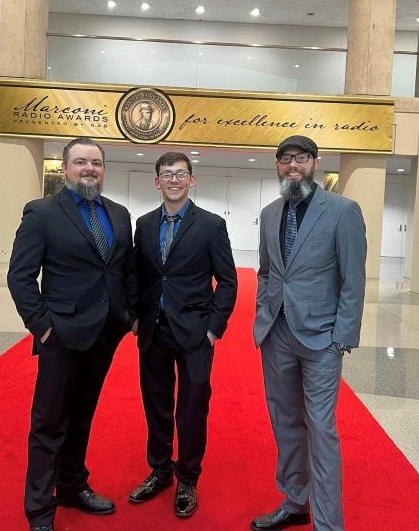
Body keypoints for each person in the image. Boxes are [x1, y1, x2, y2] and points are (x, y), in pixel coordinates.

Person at [7, 137, 137, 531]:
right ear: (64, 168)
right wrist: (42, 327)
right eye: (80, 162)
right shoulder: (42, 213)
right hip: (60, 335)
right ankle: (40, 509)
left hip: (104, 333)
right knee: (49, 422)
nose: (89, 169)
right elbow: (20, 276)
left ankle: (72, 485)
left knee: (82, 414)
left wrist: (127, 315)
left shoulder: (119, 214)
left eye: (96, 162)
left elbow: (124, 269)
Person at [251, 135, 366, 531]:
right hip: (277, 334)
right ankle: (296, 501)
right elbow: (266, 272)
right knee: (284, 422)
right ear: (277, 165)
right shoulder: (269, 213)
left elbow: (353, 279)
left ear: (315, 162)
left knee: (321, 428)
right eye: (285, 159)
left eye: (300, 158)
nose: (292, 165)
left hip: (322, 339)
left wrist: (342, 337)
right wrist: (262, 316)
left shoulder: (342, 211)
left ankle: (328, 524)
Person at [129, 152, 238, 518]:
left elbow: (227, 281)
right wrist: (134, 318)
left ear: (192, 180)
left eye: (180, 174)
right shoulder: (144, 225)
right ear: (157, 182)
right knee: (156, 405)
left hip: (195, 334)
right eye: (166, 174)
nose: (173, 180)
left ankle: (187, 478)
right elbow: (138, 276)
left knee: (191, 410)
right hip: (153, 331)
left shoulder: (210, 225)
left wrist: (213, 330)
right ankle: (159, 470)